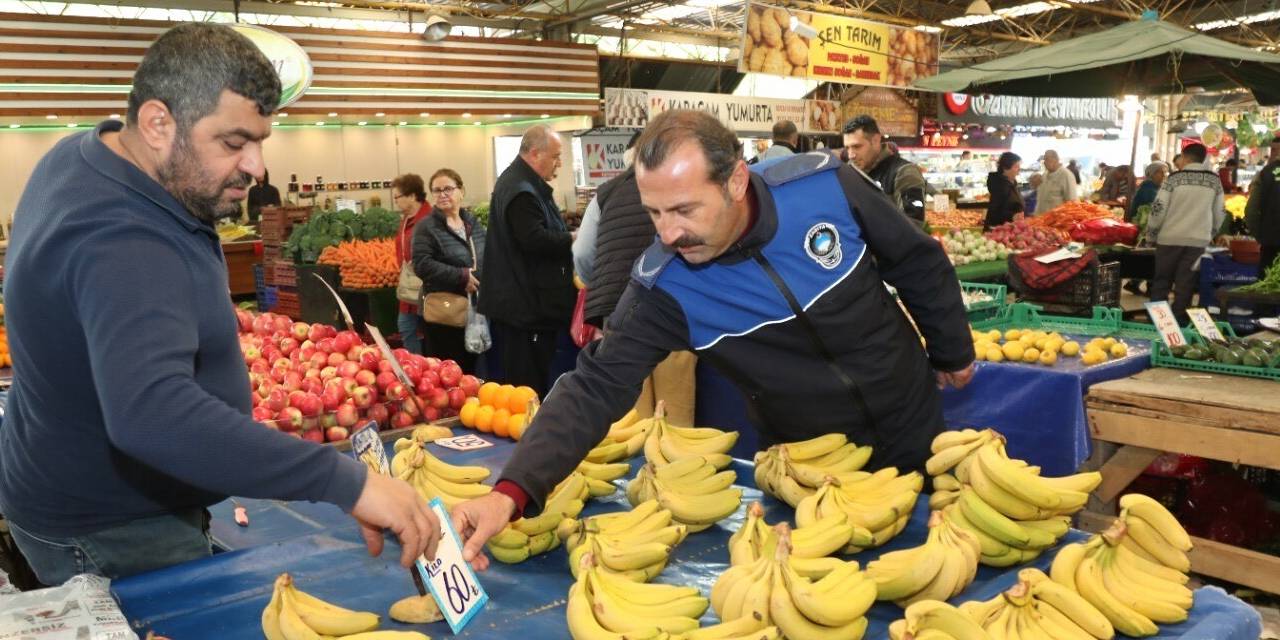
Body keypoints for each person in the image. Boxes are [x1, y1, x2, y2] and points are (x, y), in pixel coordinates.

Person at [0, 23, 438, 586]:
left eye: (260, 141)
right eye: (234, 143)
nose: (257, 167)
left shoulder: (94, 157)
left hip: (71, 484)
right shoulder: (123, 238)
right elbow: (151, 415)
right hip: (112, 525)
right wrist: (345, 481)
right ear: (158, 124)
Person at [450, 109, 976, 570]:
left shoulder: (822, 186)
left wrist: (951, 348)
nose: (668, 234)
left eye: (684, 210)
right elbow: (593, 387)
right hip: (810, 462)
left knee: (933, 562)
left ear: (737, 181)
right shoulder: (664, 287)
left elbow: (915, 257)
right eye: (654, 213)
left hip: (911, 414)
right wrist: (510, 493)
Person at [583, 135, 697, 426]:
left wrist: (597, 284)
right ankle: (674, 470)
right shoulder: (684, 190)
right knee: (674, 414)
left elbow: (583, 254)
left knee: (629, 414)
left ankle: (633, 471)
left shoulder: (606, 193)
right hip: (674, 309)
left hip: (619, 312)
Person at [478, 124, 575, 396]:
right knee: (527, 386)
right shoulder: (522, 190)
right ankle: (529, 435)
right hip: (525, 307)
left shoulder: (518, 183)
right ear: (535, 154)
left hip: (520, 305)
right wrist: (572, 239)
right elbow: (533, 239)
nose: (559, 163)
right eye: (555, 156)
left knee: (525, 380)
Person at [412, 169, 486, 372]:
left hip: (473, 309)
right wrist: (462, 276)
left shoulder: (472, 223)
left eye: (448, 189)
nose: (442, 194)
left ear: (461, 190)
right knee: (447, 371)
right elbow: (421, 264)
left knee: (472, 369)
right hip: (443, 312)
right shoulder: (426, 227)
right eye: (436, 191)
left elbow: (486, 253)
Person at [1147, 143, 1225, 322]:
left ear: (1184, 157)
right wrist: (1210, 232)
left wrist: (1151, 234)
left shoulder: (1173, 179)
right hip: (1198, 241)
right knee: (1185, 285)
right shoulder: (1214, 180)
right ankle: (1180, 324)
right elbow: (1220, 211)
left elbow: (1158, 209)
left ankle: (1158, 324)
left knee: (1161, 282)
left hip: (1169, 239)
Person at [842, 115, 928, 223]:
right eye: (847, 148)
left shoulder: (904, 172)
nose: (851, 155)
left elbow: (913, 225)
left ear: (875, 140)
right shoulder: (849, 172)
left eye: (857, 147)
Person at [392, 173, 432, 355]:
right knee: (406, 327)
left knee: (427, 331)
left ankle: (427, 368)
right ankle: (415, 365)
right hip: (408, 287)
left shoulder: (430, 219)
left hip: (426, 287)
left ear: (412, 196)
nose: (396, 201)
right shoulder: (406, 219)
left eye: (397, 197)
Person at [1245, 139, 1280, 273]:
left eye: (1275, 150)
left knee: (1267, 286)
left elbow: (1251, 211)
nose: (1272, 154)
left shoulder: (1266, 172)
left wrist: (1260, 235)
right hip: (1270, 238)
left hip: (1271, 241)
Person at [984, 152, 1024, 230]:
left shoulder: (1012, 183)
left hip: (1010, 228)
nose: (1019, 169)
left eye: (1019, 166)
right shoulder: (1000, 186)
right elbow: (994, 212)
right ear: (1005, 168)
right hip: (999, 231)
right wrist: (1012, 216)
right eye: (1016, 166)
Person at [1034, 150, 1077, 214]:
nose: (1045, 163)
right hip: (1040, 219)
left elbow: (1072, 202)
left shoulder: (1066, 175)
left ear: (1056, 160)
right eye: (1044, 160)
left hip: (1055, 221)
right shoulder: (1044, 175)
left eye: (1047, 159)